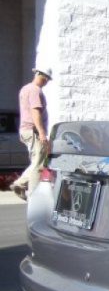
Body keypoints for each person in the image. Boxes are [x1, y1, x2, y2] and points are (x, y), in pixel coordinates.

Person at [11, 67, 52, 201]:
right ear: (39, 75)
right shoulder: (35, 90)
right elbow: (35, 112)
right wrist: (42, 132)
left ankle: (20, 183)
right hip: (33, 131)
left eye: (48, 79)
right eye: (45, 78)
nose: (46, 81)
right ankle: (34, 196)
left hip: (26, 130)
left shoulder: (25, 88)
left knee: (37, 161)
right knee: (39, 165)